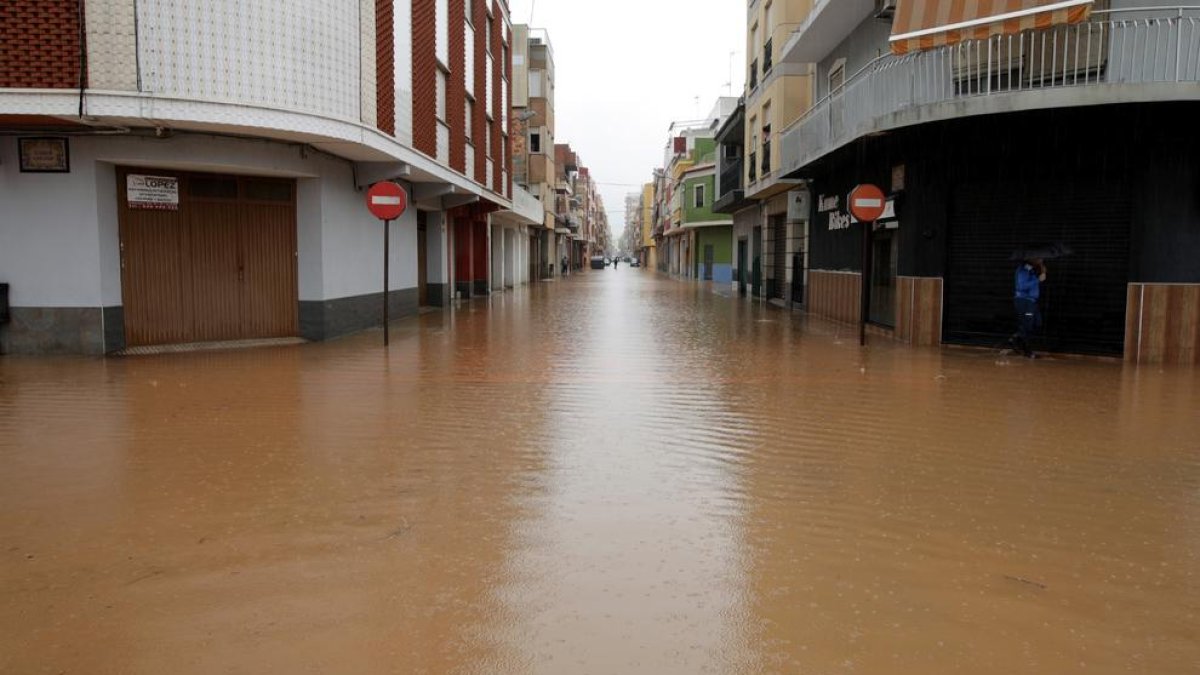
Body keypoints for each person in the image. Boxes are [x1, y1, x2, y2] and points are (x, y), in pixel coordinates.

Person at [1011, 257, 1046, 358]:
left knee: (1037, 323)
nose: (1041, 260)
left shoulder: (1030, 269)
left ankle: (1017, 337)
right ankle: (1027, 351)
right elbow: (1022, 286)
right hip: (1025, 301)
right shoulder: (1023, 270)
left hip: (1032, 301)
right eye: (1039, 259)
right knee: (1028, 326)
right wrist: (1038, 280)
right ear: (1032, 259)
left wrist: (1042, 272)